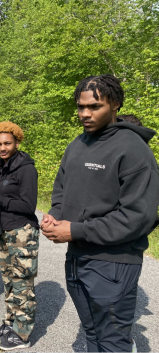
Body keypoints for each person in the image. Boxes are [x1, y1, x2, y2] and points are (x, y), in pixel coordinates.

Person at [41, 74, 159, 352]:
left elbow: (137, 217)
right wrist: (54, 215)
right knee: (92, 334)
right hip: (77, 257)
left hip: (114, 263)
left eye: (94, 107)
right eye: (81, 107)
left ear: (115, 104)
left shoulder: (133, 150)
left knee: (112, 343)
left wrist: (75, 230)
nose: (85, 113)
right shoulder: (77, 145)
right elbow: (61, 190)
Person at [0, 122, 39, 351]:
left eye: (7, 143)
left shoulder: (26, 168)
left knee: (22, 283)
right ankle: (10, 323)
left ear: (17, 142)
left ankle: (22, 335)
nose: (2, 148)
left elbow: (28, 205)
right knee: (9, 283)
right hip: (4, 232)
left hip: (23, 233)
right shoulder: (2, 167)